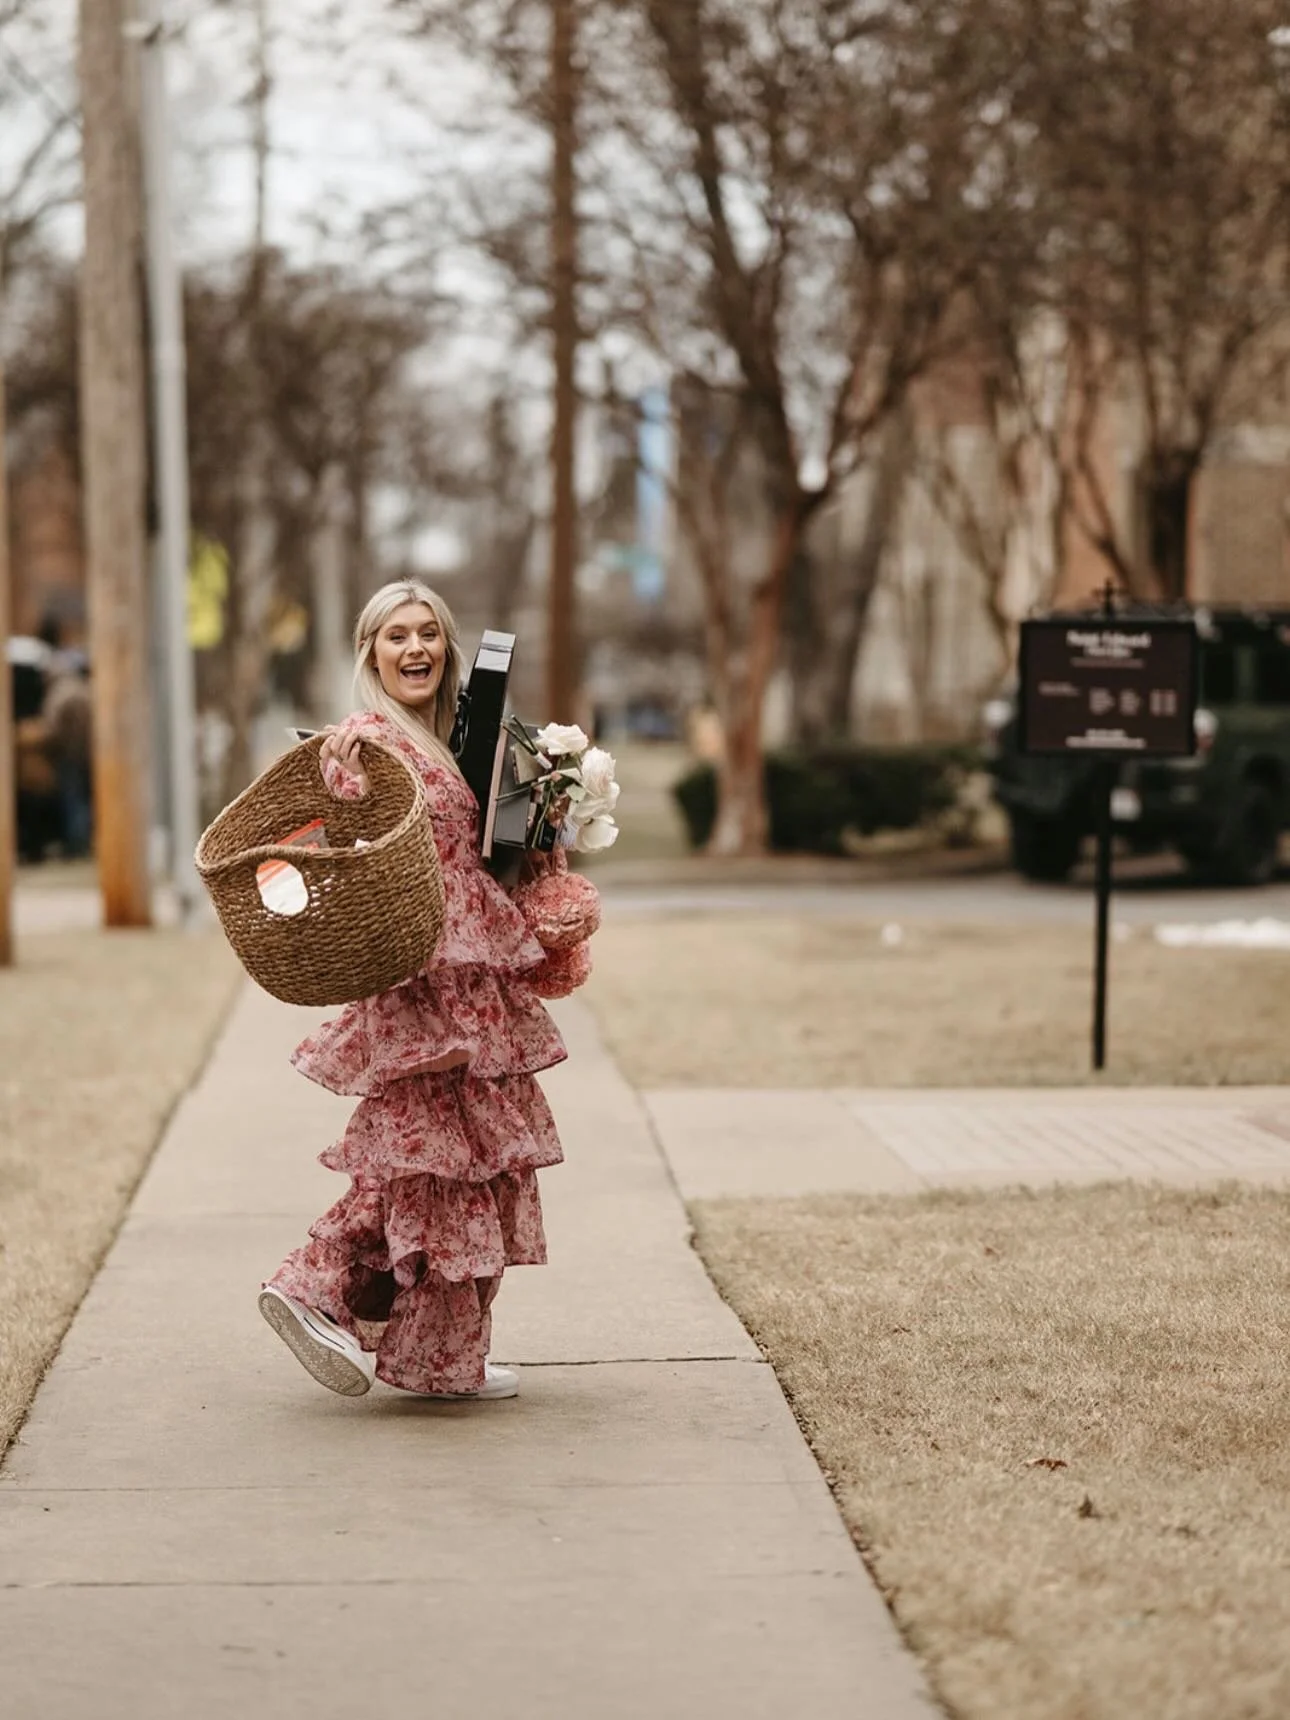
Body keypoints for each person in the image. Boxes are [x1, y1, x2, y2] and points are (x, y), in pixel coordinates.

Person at [258, 580, 580, 1401]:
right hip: (424, 988)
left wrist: (548, 815)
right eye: (396, 636)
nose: (415, 649)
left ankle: (442, 1358)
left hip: (474, 986)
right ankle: (312, 1286)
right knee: (426, 1164)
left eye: (428, 634)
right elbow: (335, 839)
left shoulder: (457, 741)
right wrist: (337, 771)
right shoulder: (367, 739)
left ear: (447, 648)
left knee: (464, 1173)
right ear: (371, 653)